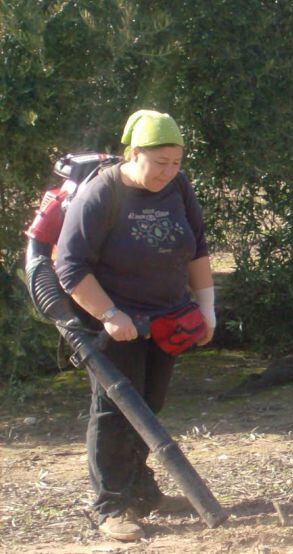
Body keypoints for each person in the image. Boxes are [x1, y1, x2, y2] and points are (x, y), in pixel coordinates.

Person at [54, 110, 215, 542]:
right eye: (159, 162)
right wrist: (109, 314)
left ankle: (141, 492)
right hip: (115, 327)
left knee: (149, 406)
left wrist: (207, 307)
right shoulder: (100, 194)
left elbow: (197, 246)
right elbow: (69, 267)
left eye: (177, 162)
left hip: (168, 319)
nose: (169, 171)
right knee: (113, 413)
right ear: (134, 153)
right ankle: (110, 507)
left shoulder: (177, 186)